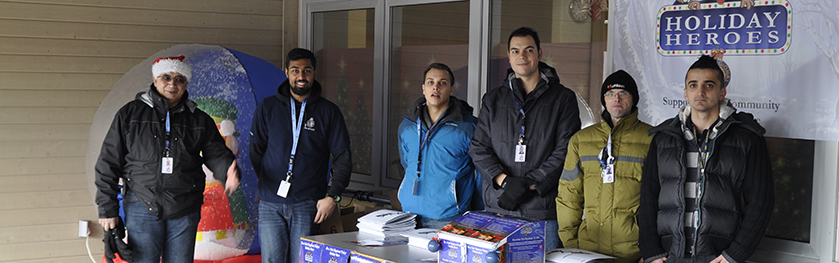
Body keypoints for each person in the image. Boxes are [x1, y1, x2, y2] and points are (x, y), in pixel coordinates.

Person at [95, 55, 240, 263]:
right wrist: (107, 209)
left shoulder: (199, 119)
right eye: (166, 77)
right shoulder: (130, 114)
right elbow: (108, 163)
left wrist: (227, 169)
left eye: (179, 79)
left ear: (186, 84)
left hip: (184, 208)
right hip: (141, 205)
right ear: (155, 80)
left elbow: (216, 153)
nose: (172, 83)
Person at [638, 55, 774, 263]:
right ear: (685, 93)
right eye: (693, 85)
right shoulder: (663, 137)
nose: (700, 92)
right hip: (669, 256)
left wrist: (735, 254)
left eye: (709, 85)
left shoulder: (748, 138)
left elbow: (761, 202)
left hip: (719, 257)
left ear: (722, 92)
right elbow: (648, 198)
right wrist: (651, 251)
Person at [470, 26, 581, 250]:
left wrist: (529, 184)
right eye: (515, 51)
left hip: (542, 213)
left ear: (540, 54)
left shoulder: (563, 99)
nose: (522, 56)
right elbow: (479, 148)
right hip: (499, 208)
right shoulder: (493, 100)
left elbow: (566, 150)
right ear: (509, 57)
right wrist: (506, 182)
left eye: (528, 50)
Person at [250, 48, 352, 263]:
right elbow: (256, 151)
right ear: (286, 72)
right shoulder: (267, 107)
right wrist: (270, 181)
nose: (301, 76)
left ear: (314, 73)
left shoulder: (328, 111)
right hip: (270, 203)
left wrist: (332, 196)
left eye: (306, 70)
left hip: (308, 203)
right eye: (295, 70)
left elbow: (342, 157)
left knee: (303, 261)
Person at [556, 70, 652, 263]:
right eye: (610, 94)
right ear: (604, 100)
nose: (616, 98)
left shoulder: (652, 139)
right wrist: (571, 243)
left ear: (633, 99)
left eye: (623, 93)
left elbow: (661, 200)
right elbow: (569, 195)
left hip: (633, 252)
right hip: (589, 250)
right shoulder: (581, 140)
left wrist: (652, 250)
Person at [397, 63, 479, 230]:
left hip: (448, 216)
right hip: (408, 215)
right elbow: (406, 163)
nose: (436, 87)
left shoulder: (468, 127)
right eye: (430, 82)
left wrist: (475, 212)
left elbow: (481, 173)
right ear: (423, 89)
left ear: (451, 89)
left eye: (442, 83)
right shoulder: (407, 126)